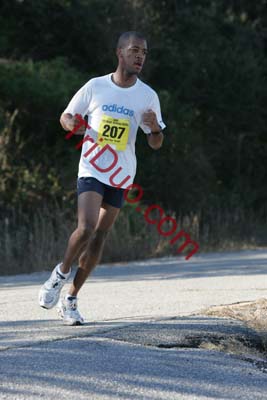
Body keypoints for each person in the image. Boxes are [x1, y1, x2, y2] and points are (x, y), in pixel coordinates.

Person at [39, 31, 166, 325]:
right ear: (120, 52)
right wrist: (72, 123)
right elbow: (66, 117)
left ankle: (70, 299)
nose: (140, 56)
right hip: (93, 167)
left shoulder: (148, 96)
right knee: (86, 228)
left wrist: (155, 130)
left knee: (99, 238)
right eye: (134, 50)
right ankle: (60, 274)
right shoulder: (95, 87)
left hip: (121, 174)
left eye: (144, 52)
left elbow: (155, 142)